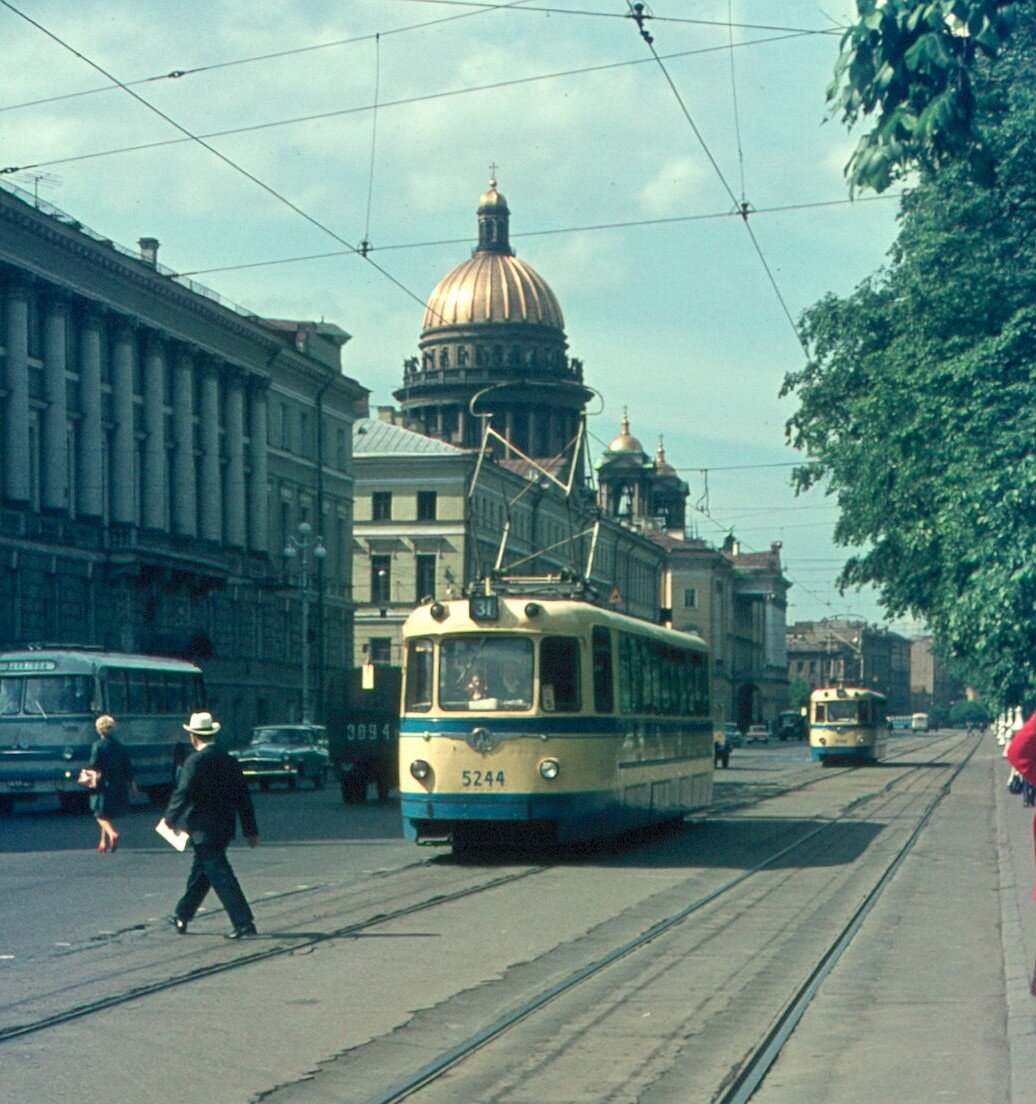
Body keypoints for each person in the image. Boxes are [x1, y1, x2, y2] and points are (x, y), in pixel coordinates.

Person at [161, 711, 260, 940]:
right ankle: (182, 914)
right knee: (202, 873)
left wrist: (169, 818)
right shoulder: (229, 759)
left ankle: (244, 923)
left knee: (221, 875)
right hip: (224, 826)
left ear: (193, 737)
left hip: (202, 828)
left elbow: (183, 792)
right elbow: (243, 797)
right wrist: (250, 830)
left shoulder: (194, 761)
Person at [88, 714, 136, 853]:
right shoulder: (120, 746)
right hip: (119, 782)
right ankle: (104, 842)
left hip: (103, 783)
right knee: (107, 813)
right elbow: (127, 766)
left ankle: (112, 833)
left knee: (98, 813)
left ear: (99, 729)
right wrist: (132, 783)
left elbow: (94, 764)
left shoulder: (97, 746)